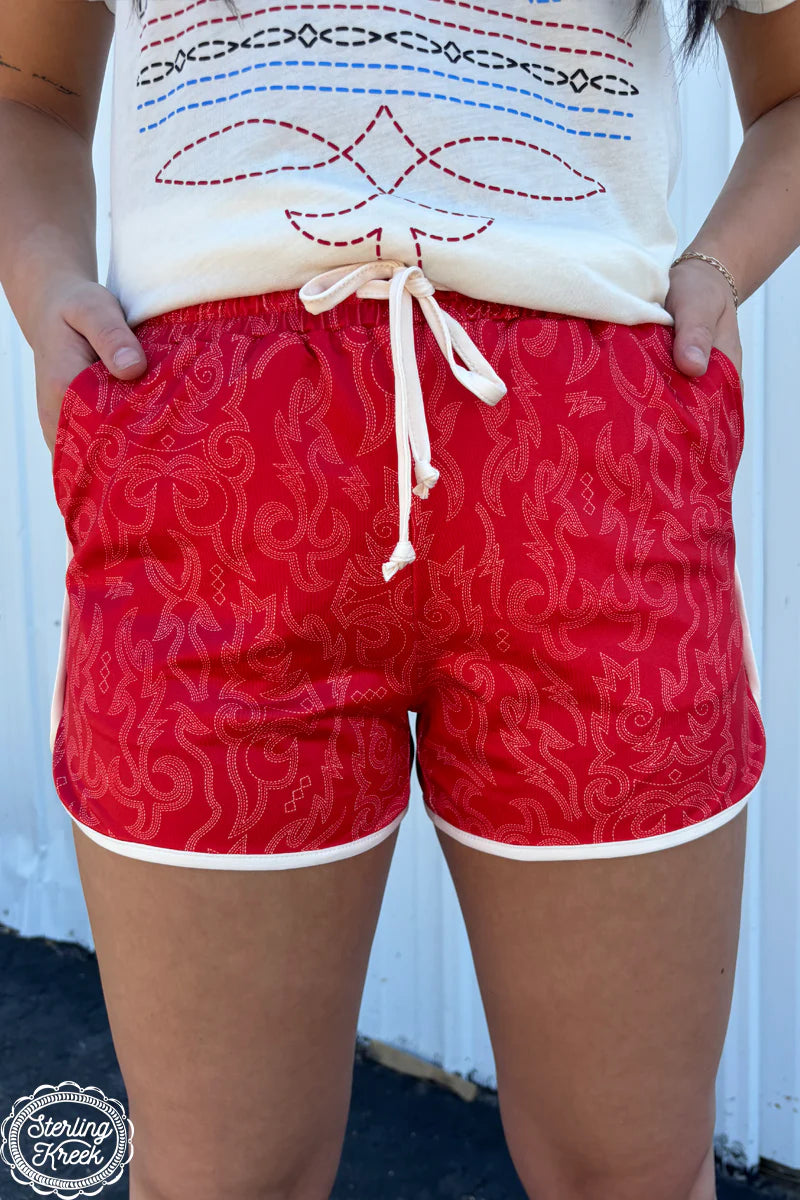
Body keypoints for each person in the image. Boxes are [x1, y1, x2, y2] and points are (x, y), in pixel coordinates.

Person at [1, 0, 798, 1196]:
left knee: (626, 1172)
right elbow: (31, 91)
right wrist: (46, 285)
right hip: (216, 487)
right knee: (224, 1178)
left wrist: (714, 272)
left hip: (585, 474)